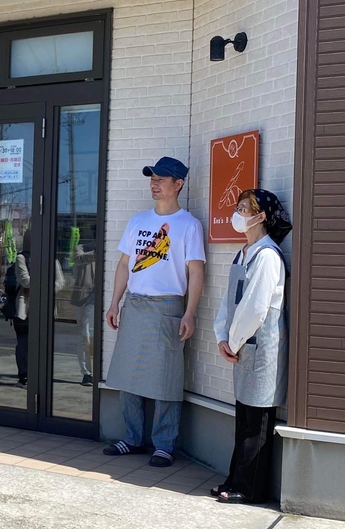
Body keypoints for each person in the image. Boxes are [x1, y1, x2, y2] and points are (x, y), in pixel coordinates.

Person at [104, 157, 206, 468]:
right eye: (152, 177)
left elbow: (196, 271)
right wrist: (114, 302)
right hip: (135, 303)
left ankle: (164, 444)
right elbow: (124, 264)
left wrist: (189, 312)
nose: (155, 183)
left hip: (167, 306)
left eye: (162, 179)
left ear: (179, 184)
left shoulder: (189, 225)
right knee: (129, 374)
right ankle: (133, 438)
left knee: (166, 378)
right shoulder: (138, 221)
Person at [211, 189, 291, 504]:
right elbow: (228, 303)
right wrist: (221, 336)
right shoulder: (244, 252)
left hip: (261, 352)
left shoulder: (268, 256)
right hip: (243, 348)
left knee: (256, 424)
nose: (237, 212)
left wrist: (231, 341)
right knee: (243, 419)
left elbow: (255, 308)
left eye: (244, 208)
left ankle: (249, 487)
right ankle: (235, 479)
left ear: (260, 217)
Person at [13, 230, 65, 388]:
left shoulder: (52, 259)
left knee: (43, 342)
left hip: (45, 307)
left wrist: (39, 287)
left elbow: (61, 283)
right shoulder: (21, 258)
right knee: (24, 343)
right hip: (25, 309)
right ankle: (24, 376)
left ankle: (40, 374)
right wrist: (46, 284)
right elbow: (25, 281)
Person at [70, 225, 96, 387]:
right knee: (85, 336)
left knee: (94, 337)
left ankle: (94, 371)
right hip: (83, 299)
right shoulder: (79, 249)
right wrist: (98, 252)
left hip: (99, 299)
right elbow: (80, 259)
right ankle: (86, 373)